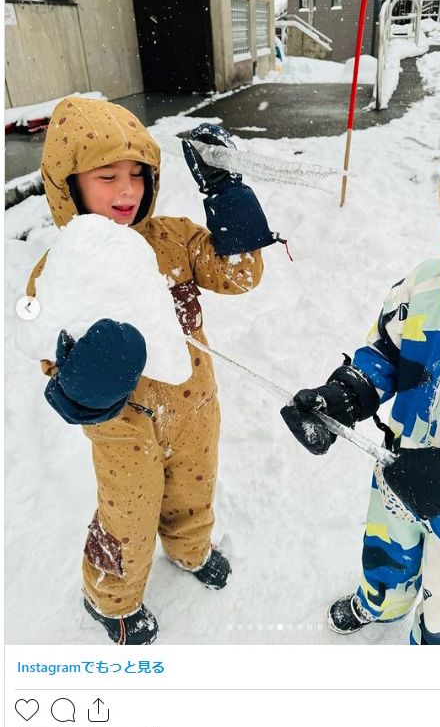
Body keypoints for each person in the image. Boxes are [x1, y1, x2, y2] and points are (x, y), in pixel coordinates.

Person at [282, 121, 440, 645]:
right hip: (400, 470)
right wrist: (350, 391)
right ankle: (380, 599)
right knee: (385, 551)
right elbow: (389, 347)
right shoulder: (429, 283)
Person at [27, 97, 278, 644]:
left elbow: (238, 276)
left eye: (138, 175)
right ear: (67, 185)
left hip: (193, 402)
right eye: (107, 176)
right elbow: (47, 351)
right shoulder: (62, 268)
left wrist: (226, 191)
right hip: (122, 424)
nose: (127, 191)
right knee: (128, 512)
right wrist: (81, 386)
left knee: (194, 485)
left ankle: (190, 550)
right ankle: (110, 598)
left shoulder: (173, 238)